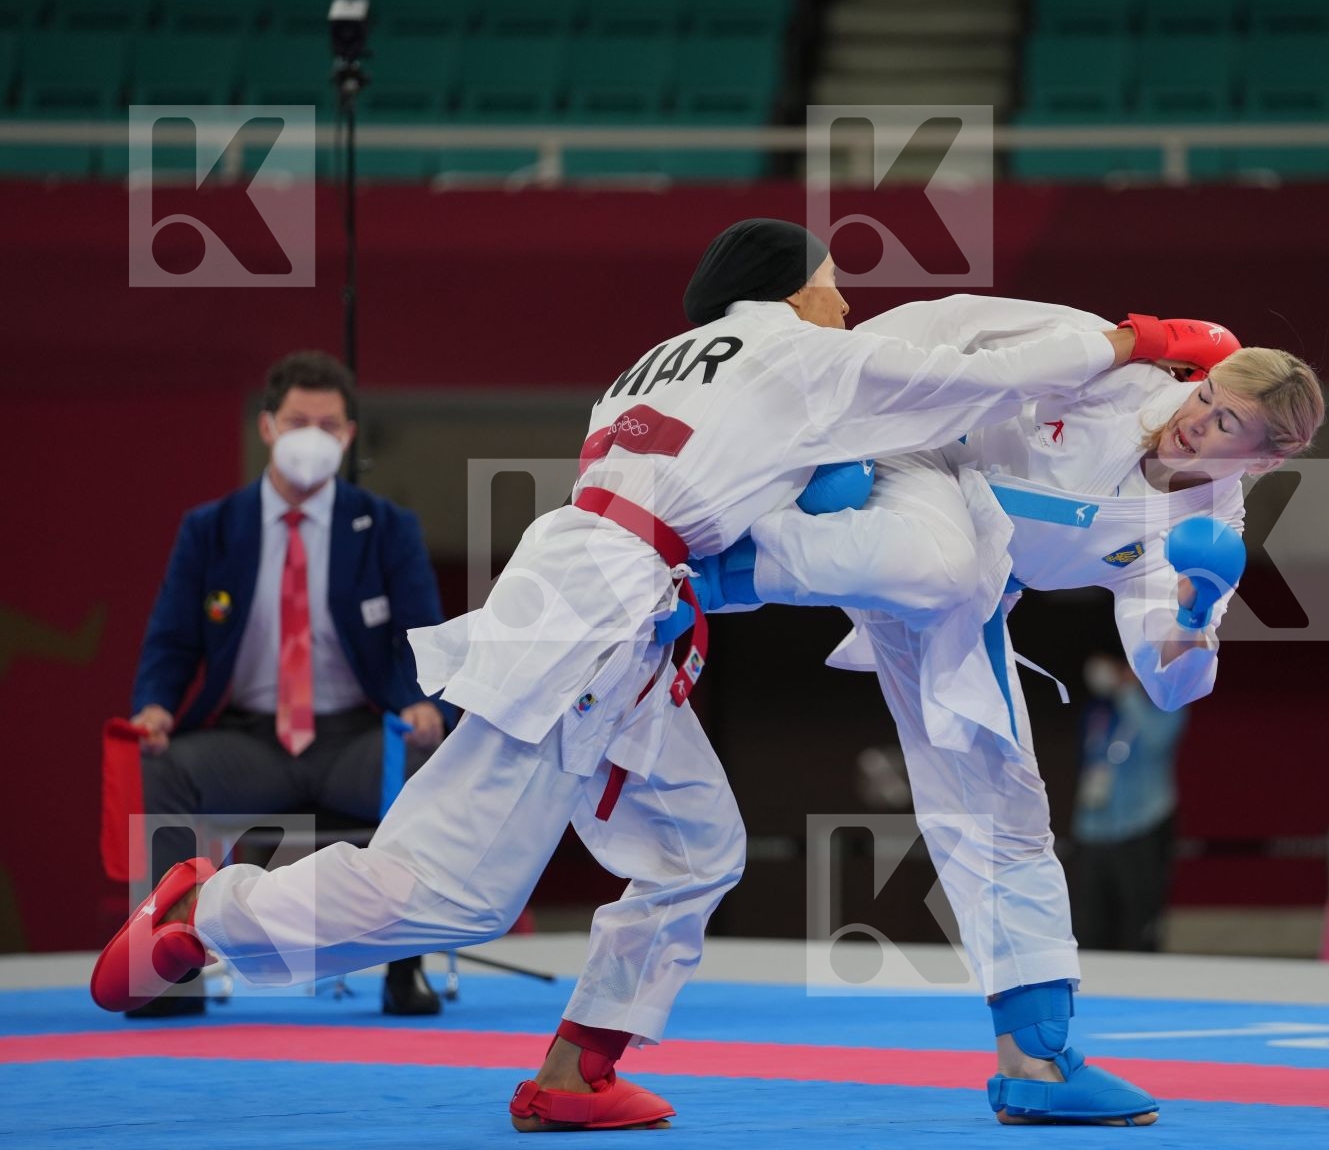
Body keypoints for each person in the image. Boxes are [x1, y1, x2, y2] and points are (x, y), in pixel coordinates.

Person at [92, 218, 1161, 1133]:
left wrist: (808, 484)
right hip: (601, 616)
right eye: (833, 285)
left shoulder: (651, 363)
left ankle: (575, 1073)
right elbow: (968, 377)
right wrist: (1127, 342)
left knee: (696, 850)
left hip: (615, 601)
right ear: (786, 291)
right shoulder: (791, 351)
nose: (846, 304)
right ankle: (214, 908)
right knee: (453, 894)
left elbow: (710, 468)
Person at [692, 295, 1323, 1124]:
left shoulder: (1202, 529)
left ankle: (1037, 1055)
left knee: (996, 799)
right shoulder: (1125, 377)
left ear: (1266, 461)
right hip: (917, 450)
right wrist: (841, 379)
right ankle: (697, 566)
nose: (1196, 422)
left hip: (969, 566)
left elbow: (1166, 681)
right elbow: (962, 321)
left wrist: (1196, 613)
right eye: (1207, 397)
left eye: (1226, 426)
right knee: (947, 597)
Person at [127, 351, 452, 1019]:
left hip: (353, 739)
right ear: (269, 428)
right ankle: (169, 968)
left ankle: (403, 969)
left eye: (329, 425)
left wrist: (426, 705)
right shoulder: (211, 529)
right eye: (298, 421)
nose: (313, 437)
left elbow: (427, 641)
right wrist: (155, 709)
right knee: (163, 766)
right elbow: (172, 640)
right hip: (251, 741)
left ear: (350, 435)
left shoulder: (387, 527)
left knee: (425, 760)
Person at [1070, 653, 1190, 954]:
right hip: (1094, 831)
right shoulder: (1099, 710)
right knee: (1089, 924)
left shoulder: (1168, 704)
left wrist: (1129, 692)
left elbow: (1156, 741)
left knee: (1138, 922)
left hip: (1141, 827)